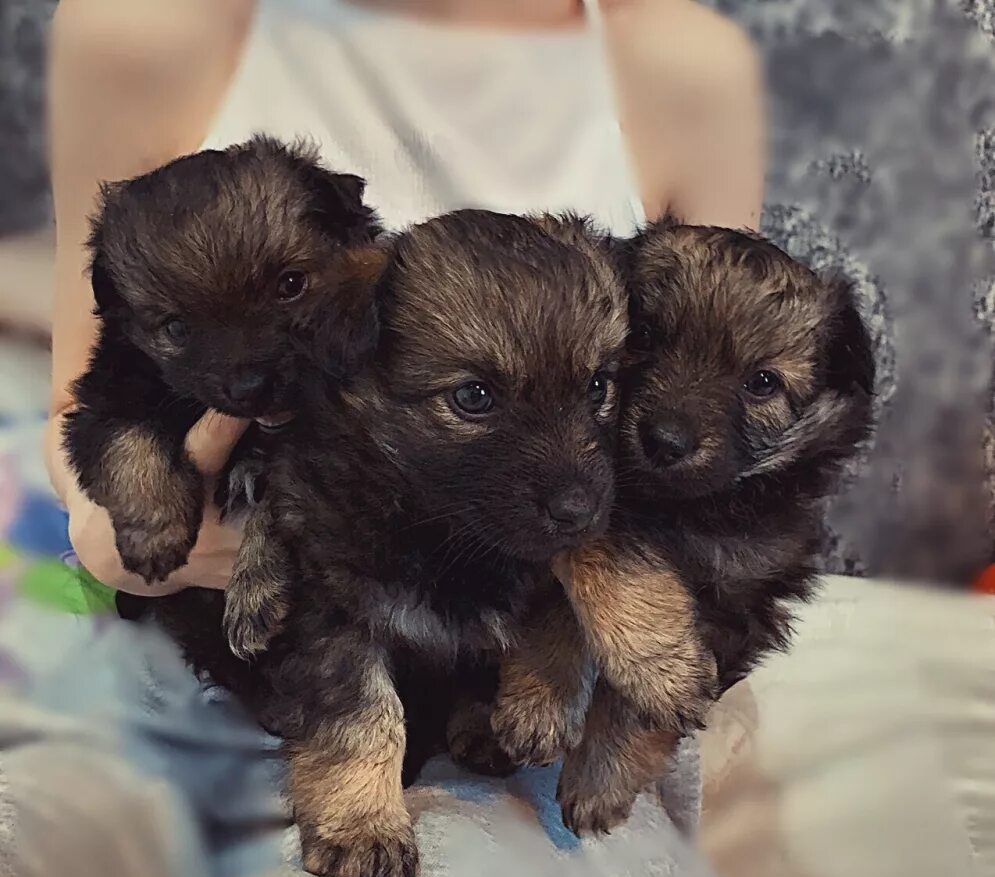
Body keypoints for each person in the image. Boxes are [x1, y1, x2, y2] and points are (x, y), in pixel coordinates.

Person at [46, 0, 764, 596]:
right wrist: (112, 527)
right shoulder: (141, 27)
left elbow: (705, 415)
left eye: (292, 286)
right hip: (215, 652)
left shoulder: (685, 64)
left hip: (541, 640)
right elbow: (89, 391)